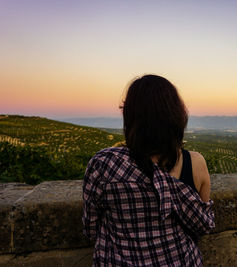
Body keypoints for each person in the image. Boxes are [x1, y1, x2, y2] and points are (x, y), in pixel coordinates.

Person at [82, 74, 215, 266]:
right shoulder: (195, 162)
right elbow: (202, 225)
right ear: (177, 115)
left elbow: (90, 228)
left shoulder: (104, 164)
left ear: (130, 115)